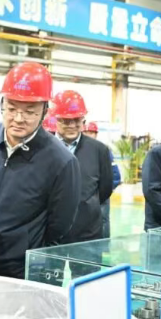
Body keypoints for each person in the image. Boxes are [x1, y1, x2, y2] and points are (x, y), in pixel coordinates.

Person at [0, 62, 81, 279]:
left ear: (45, 111)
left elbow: (59, 228)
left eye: (29, 112)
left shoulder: (61, 161)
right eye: (11, 109)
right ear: (2, 104)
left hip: (14, 272)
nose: (18, 119)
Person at [52, 91, 113, 243]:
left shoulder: (99, 150)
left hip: (87, 234)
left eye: (77, 120)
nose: (72, 125)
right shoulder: (43, 148)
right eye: (66, 121)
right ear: (56, 119)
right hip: (50, 234)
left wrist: (86, 206)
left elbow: (105, 189)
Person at [84, 122, 122, 238]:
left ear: (96, 134)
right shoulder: (81, 150)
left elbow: (115, 175)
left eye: (91, 132)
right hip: (85, 197)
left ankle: (104, 245)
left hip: (100, 196)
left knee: (103, 220)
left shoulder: (102, 150)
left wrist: (99, 194)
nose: (89, 135)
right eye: (86, 132)